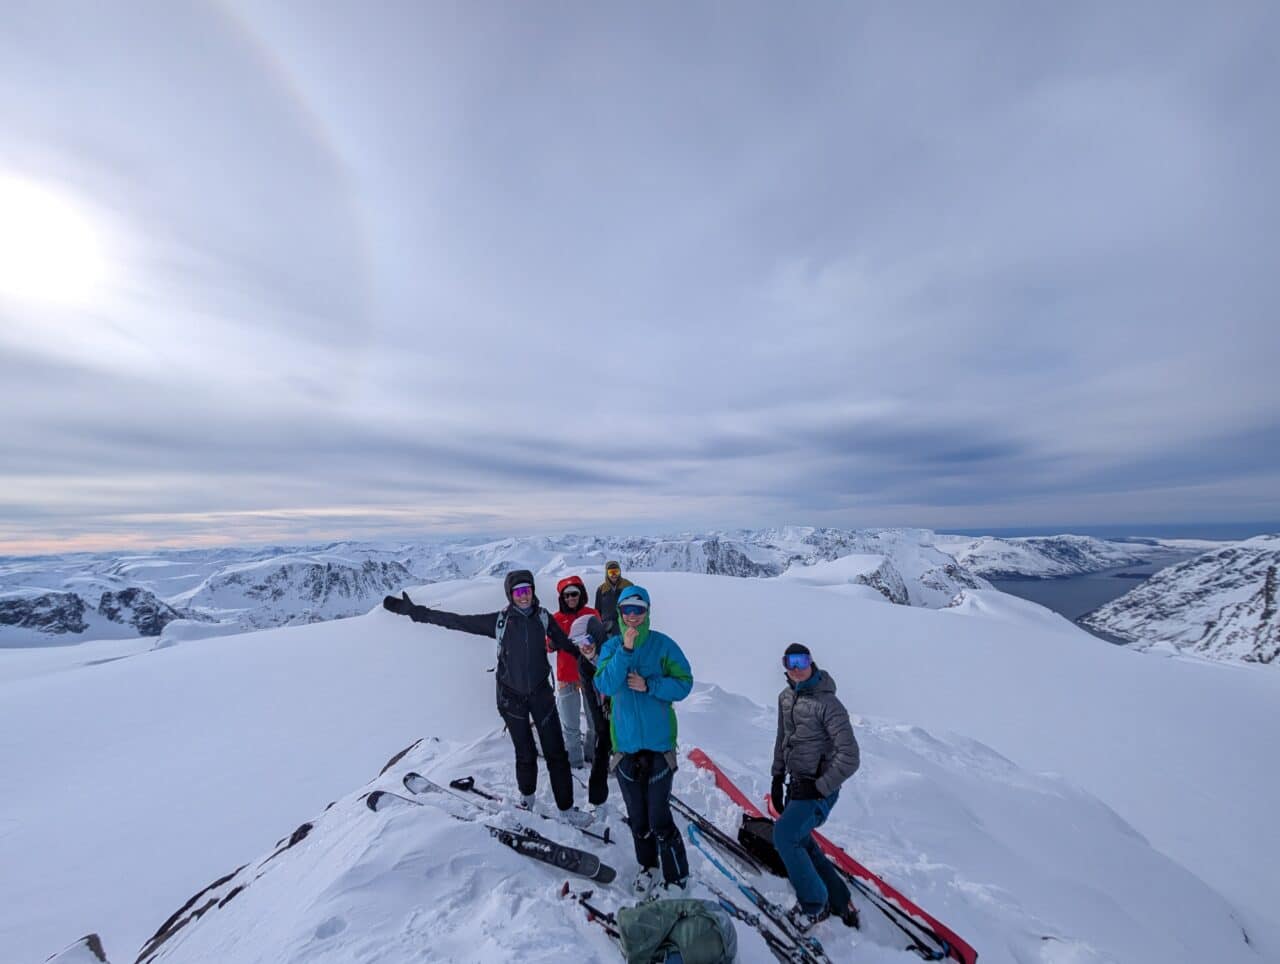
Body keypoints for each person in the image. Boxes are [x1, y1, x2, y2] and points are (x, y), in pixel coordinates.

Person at [382, 569, 591, 826]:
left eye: (527, 591)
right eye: (518, 592)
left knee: (556, 752)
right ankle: (527, 800)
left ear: (533, 592)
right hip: (510, 698)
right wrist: (417, 613)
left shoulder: (544, 619)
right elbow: (457, 621)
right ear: (510, 595)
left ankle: (566, 808)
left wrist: (592, 655)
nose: (524, 597)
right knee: (524, 752)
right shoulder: (500, 621)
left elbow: (568, 646)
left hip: (541, 696)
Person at [593, 585, 693, 899]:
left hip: (660, 746)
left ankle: (677, 875)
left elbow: (684, 683)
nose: (633, 616)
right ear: (620, 614)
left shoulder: (663, 646)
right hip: (625, 748)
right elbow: (604, 683)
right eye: (627, 610)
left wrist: (649, 685)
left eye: (639, 610)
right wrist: (624, 650)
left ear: (648, 612)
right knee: (638, 817)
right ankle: (647, 866)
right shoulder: (610, 647)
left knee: (659, 817)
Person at [770, 643, 861, 932]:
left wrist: (820, 787)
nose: (796, 667)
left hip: (820, 789)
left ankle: (814, 905)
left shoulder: (828, 704)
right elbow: (782, 739)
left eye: (801, 660)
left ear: (812, 662)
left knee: (785, 836)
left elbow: (851, 757)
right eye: (789, 661)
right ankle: (838, 897)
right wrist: (777, 776)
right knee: (800, 837)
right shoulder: (786, 698)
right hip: (796, 785)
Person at [550, 575, 598, 770]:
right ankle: (575, 762)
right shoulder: (556, 618)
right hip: (566, 676)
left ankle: (592, 755)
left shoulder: (591, 613)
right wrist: (552, 642)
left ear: (581, 594)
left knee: (594, 721)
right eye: (566, 595)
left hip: (590, 675)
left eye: (574, 594)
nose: (570, 598)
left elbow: (600, 638)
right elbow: (548, 646)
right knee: (570, 725)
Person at [568, 611, 612, 810]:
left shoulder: (614, 654)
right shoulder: (584, 664)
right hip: (606, 713)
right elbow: (590, 697)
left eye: (586, 639)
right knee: (601, 753)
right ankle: (597, 802)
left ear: (597, 636)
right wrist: (601, 726)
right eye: (578, 642)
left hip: (628, 716)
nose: (584, 646)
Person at [594, 560, 633, 637]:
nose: (614, 575)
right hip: (606, 627)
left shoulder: (628, 586)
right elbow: (597, 610)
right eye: (611, 572)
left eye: (616, 572)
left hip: (624, 627)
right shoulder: (601, 589)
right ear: (606, 573)